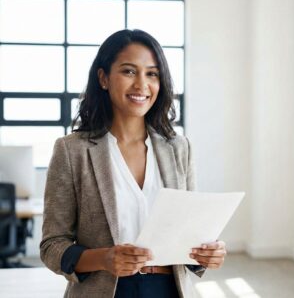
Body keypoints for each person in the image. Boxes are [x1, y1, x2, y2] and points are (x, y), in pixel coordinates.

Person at [40, 29, 226, 298]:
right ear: (103, 78)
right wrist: (104, 258)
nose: (142, 85)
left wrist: (208, 253)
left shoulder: (179, 148)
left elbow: (190, 235)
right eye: (129, 72)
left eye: (152, 74)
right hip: (105, 290)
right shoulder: (72, 151)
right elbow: (52, 246)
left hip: (169, 290)